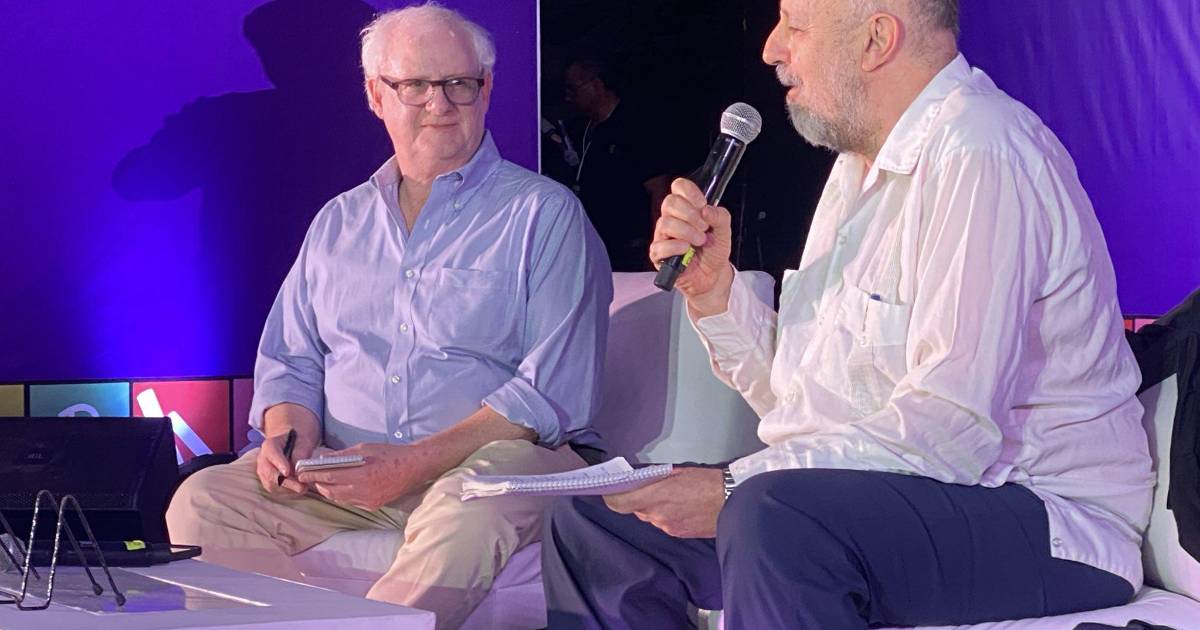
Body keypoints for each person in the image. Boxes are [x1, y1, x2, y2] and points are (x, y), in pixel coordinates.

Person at [541, 0, 1154, 628]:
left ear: (876, 39)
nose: (771, 49)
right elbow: (806, 402)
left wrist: (732, 486)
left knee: (773, 516)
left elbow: (952, 428)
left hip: (1044, 517)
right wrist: (714, 293)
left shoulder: (981, 149)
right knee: (598, 519)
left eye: (795, 25)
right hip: (893, 496)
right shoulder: (854, 170)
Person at [166, 4, 612, 628]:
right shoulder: (338, 222)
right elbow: (292, 360)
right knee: (204, 499)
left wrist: (411, 465)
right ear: (376, 95)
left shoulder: (544, 214)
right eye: (415, 85)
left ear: (487, 90)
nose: (440, 103)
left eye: (459, 83)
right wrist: (290, 435)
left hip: (494, 465)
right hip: (347, 475)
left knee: (474, 497)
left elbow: (551, 395)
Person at [562, 56, 674, 272]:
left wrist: (657, 248)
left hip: (631, 252)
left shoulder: (634, 126)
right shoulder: (586, 130)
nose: (568, 97)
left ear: (596, 85)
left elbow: (659, 189)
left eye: (573, 89)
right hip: (595, 249)